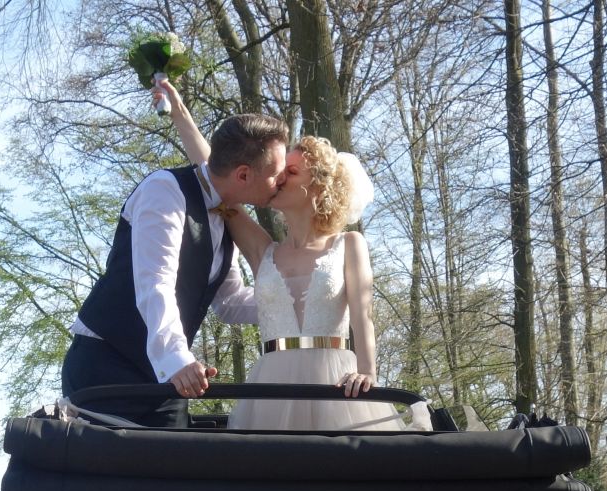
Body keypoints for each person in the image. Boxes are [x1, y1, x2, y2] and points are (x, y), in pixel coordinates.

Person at [156, 79, 416, 432]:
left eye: (291, 172)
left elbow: (363, 315)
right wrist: (179, 112)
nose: (277, 178)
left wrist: (367, 372)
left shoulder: (349, 244)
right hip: (271, 386)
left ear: (319, 187)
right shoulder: (263, 250)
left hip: (336, 383)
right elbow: (216, 170)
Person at [60, 103, 294, 427]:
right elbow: (156, 282)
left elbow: (229, 302)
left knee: (178, 457)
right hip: (106, 365)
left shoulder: (226, 215)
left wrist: (294, 303)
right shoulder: (165, 190)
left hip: (164, 379)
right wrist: (176, 359)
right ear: (243, 174)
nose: (282, 181)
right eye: (276, 173)